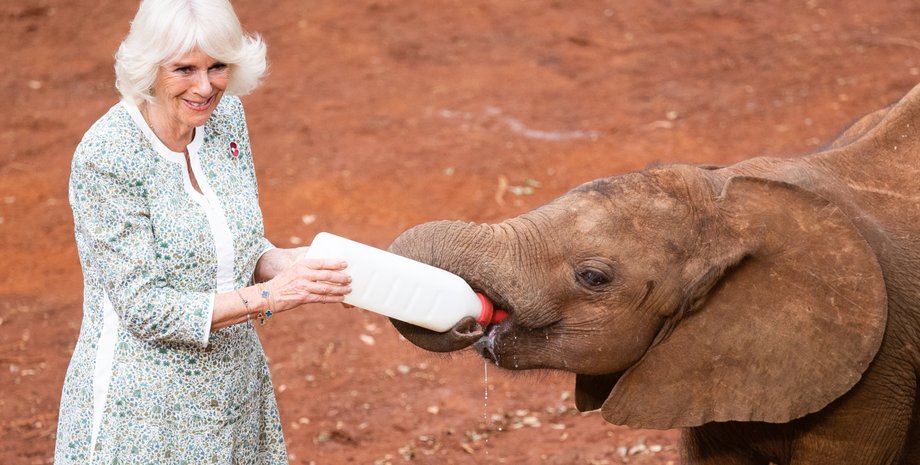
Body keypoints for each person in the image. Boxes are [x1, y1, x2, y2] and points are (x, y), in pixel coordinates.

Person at [54, 0, 352, 463]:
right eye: (184, 69)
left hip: (233, 390)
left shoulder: (225, 119)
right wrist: (273, 296)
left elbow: (241, 249)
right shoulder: (106, 157)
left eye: (217, 67)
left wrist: (305, 265)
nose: (204, 86)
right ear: (150, 67)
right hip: (146, 412)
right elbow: (146, 309)